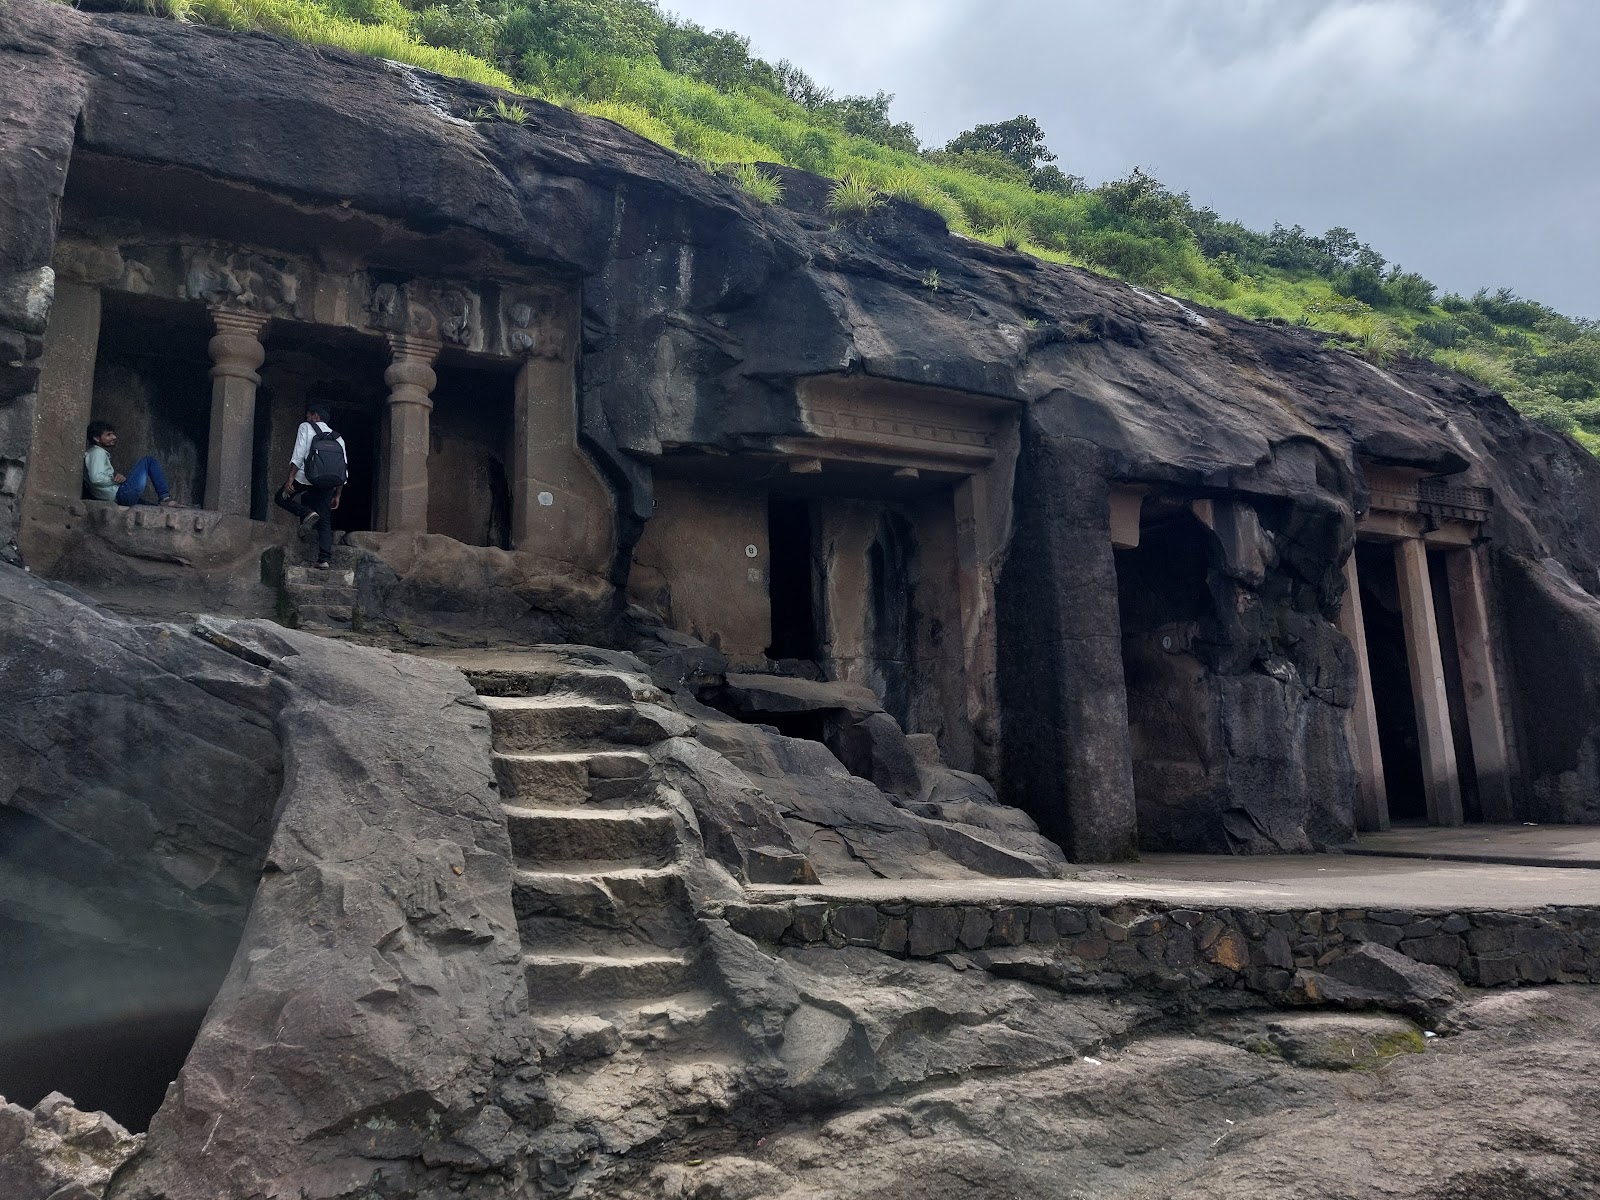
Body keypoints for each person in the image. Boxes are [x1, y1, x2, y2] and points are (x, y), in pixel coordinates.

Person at [274, 402, 346, 570]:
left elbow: (298, 454)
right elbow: (343, 468)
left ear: (315, 416)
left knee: (280, 498)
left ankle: (306, 512)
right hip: (327, 483)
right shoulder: (338, 437)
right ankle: (324, 559)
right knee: (325, 519)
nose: (307, 418)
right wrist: (338, 494)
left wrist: (290, 478)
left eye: (309, 416)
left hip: (304, 478)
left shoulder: (306, 427)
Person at [83, 421, 179, 507]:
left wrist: (116, 477)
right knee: (148, 461)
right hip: (120, 494)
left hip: (117, 497)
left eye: (113, 434)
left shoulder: (96, 453)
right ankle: (165, 497)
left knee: (152, 506)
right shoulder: (97, 452)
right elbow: (96, 478)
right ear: (96, 438)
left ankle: (163, 504)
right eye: (108, 435)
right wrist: (114, 480)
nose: (114, 437)